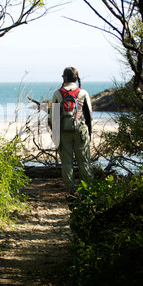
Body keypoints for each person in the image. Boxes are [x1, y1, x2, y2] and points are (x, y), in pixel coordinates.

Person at [51, 67, 93, 197]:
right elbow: (89, 115)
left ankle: (71, 191)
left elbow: (54, 117)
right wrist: (89, 134)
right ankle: (87, 191)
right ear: (76, 78)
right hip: (80, 130)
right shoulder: (83, 93)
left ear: (64, 78)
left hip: (63, 131)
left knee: (67, 163)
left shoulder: (58, 93)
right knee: (84, 161)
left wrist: (55, 135)